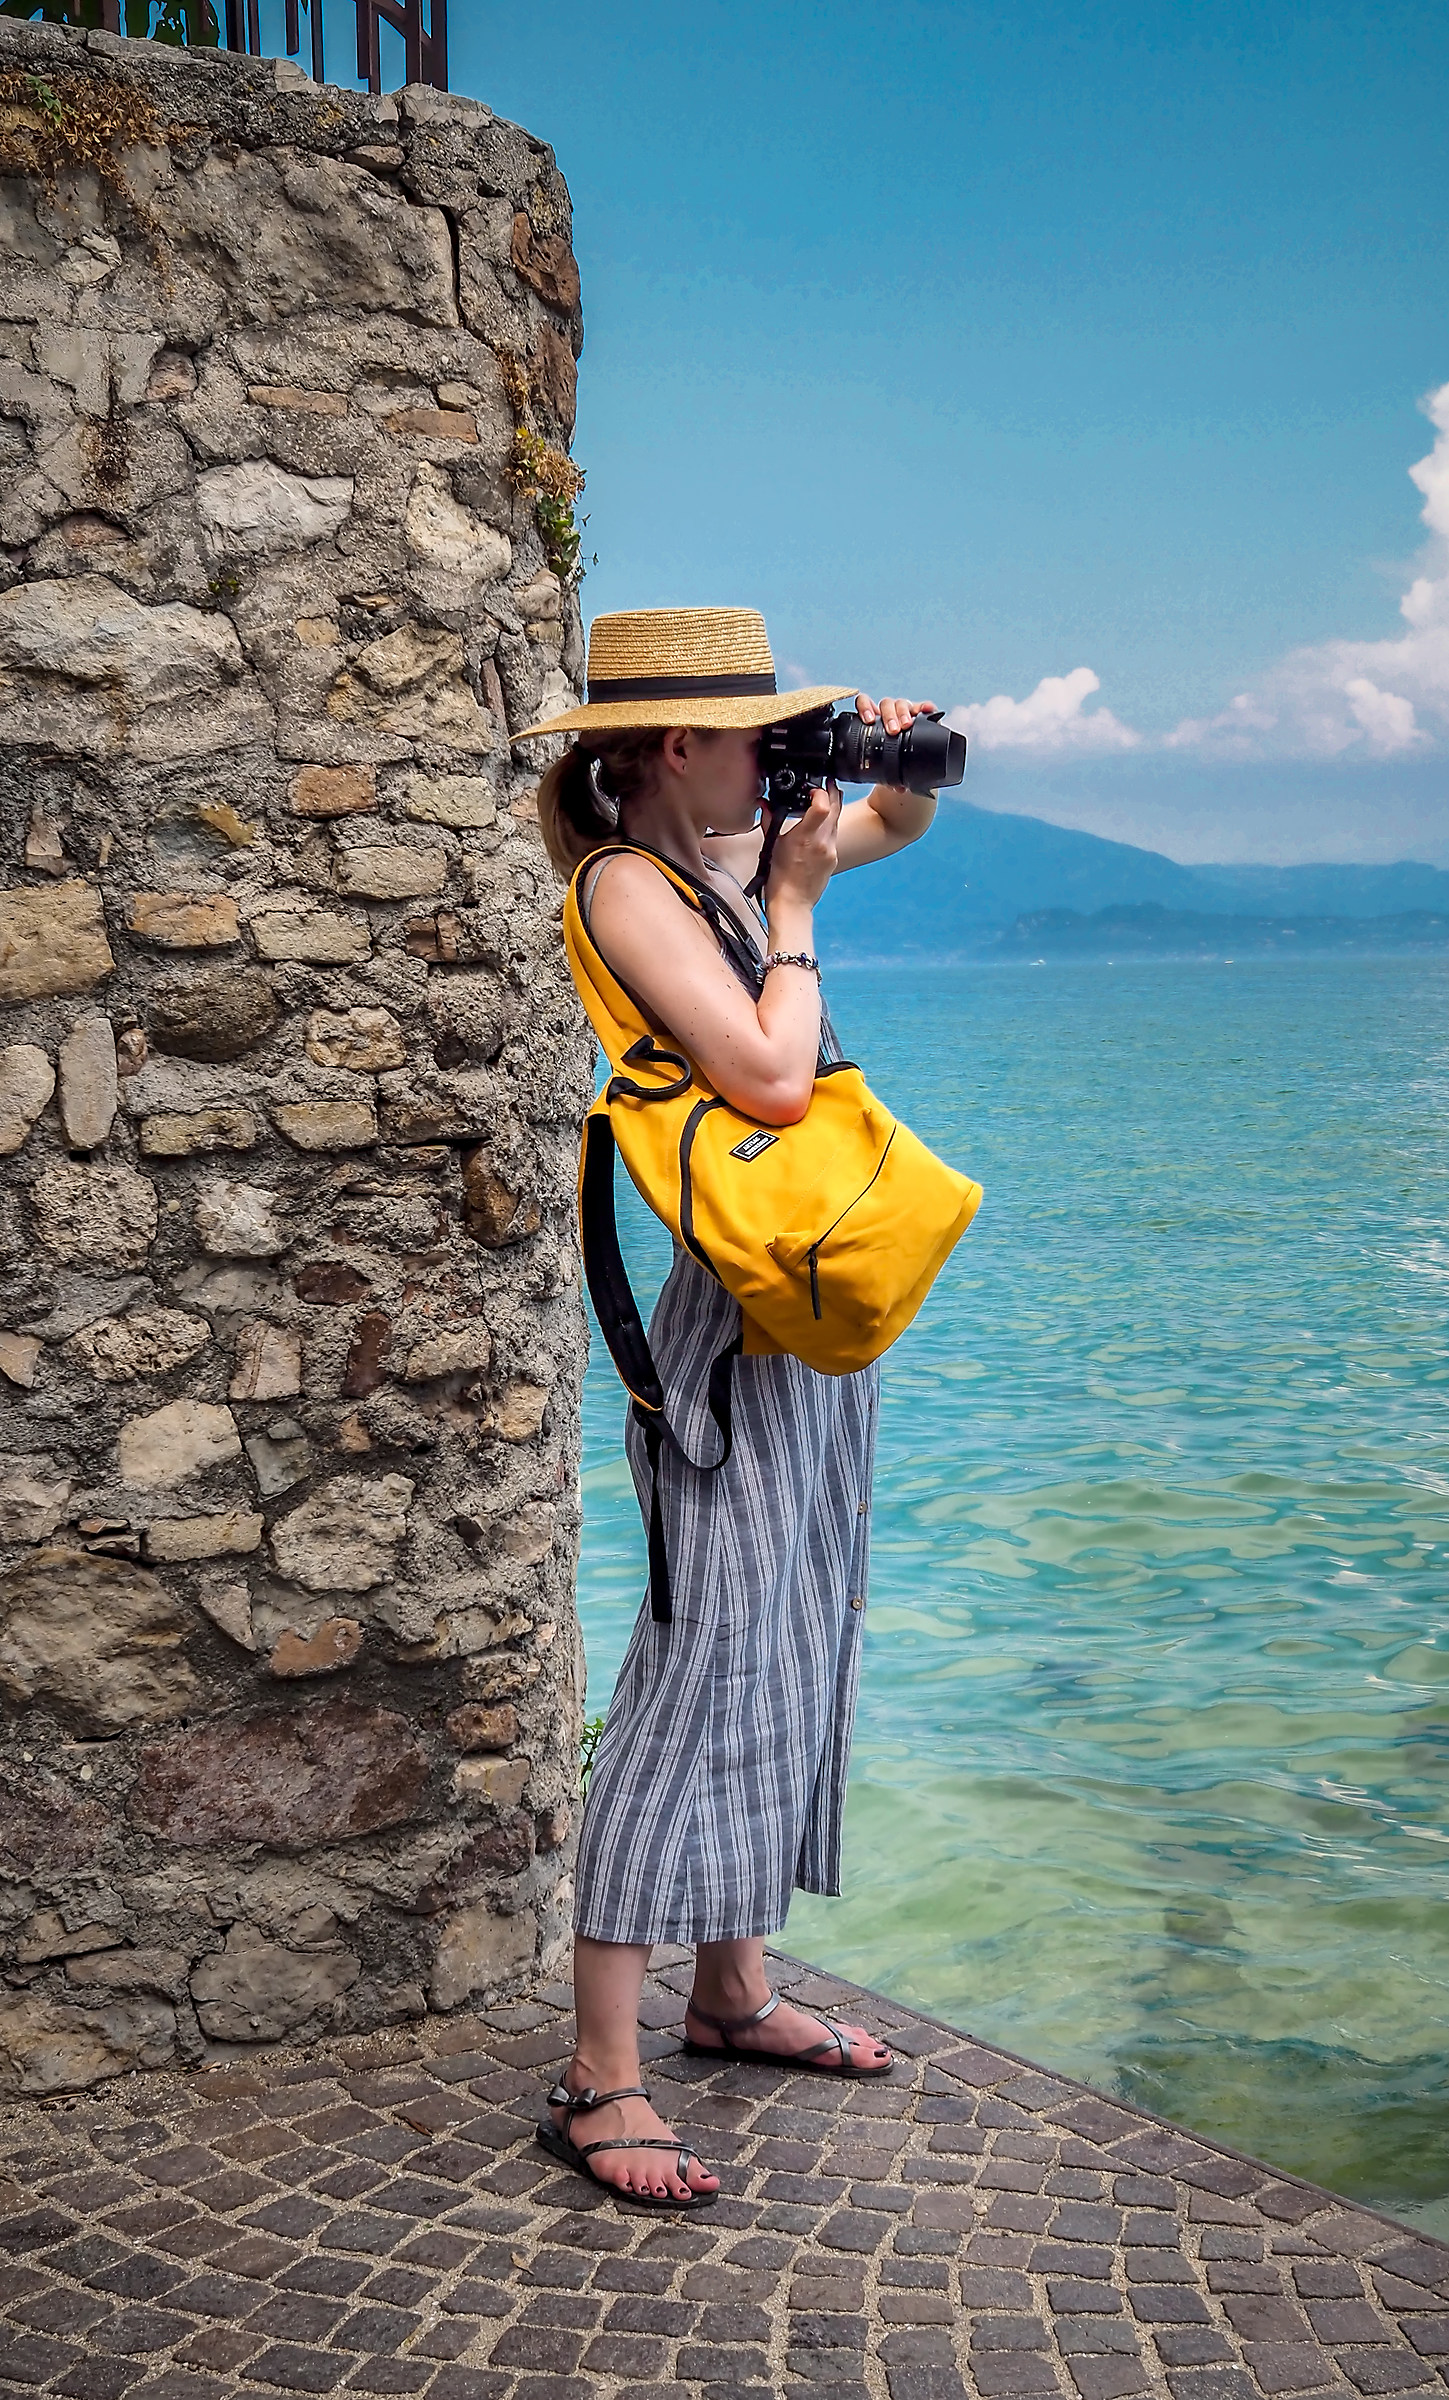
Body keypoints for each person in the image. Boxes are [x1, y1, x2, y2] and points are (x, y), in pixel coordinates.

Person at [525, 608, 942, 2208]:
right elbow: (770, 1077)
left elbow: (887, 826)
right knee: (700, 1664)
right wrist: (796, 905)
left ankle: (731, 1988)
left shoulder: (716, 861)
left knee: (793, 1636)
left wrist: (890, 763)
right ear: (675, 743)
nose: (774, 757)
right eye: (759, 734)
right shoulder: (628, 890)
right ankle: (599, 2078)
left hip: (805, 1301)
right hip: (726, 1321)